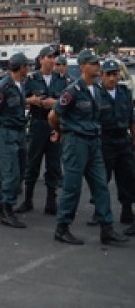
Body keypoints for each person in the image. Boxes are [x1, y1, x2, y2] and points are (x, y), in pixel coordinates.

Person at [49, 50, 128, 246]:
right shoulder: (73, 91)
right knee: (72, 187)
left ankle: (106, 228)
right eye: (93, 63)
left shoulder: (99, 91)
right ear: (83, 66)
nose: (97, 66)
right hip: (76, 142)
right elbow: (53, 115)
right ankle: (62, 227)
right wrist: (60, 132)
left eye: (97, 62)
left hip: (94, 141)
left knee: (101, 185)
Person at [16, 46, 68, 215]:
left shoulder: (62, 79)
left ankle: (51, 201)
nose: (52, 60)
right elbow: (18, 99)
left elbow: (69, 100)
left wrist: (56, 103)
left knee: (53, 165)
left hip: (55, 125)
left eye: (54, 57)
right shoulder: (31, 79)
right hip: (38, 123)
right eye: (49, 57)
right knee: (32, 164)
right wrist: (31, 100)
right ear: (41, 60)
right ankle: (27, 200)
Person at [0, 53, 33, 228]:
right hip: (6, 133)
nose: (28, 68)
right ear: (21, 67)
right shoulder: (4, 87)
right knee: (10, 172)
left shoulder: (19, 85)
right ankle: (7, 210)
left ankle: (3, 203)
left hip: (19, 132)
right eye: (26, 66)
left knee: (21, 169)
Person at [90, 59, 135, 235]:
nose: (112, 78)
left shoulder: (124, 92)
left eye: (114, 74)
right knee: (101, 178)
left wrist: (133, 139)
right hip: (105, 141)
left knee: (127, 177)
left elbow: (131, 118)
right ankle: (98, 211)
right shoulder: (96, 94)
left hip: (123, 140)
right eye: (108, 74)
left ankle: (126, 209)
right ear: (102, 76)